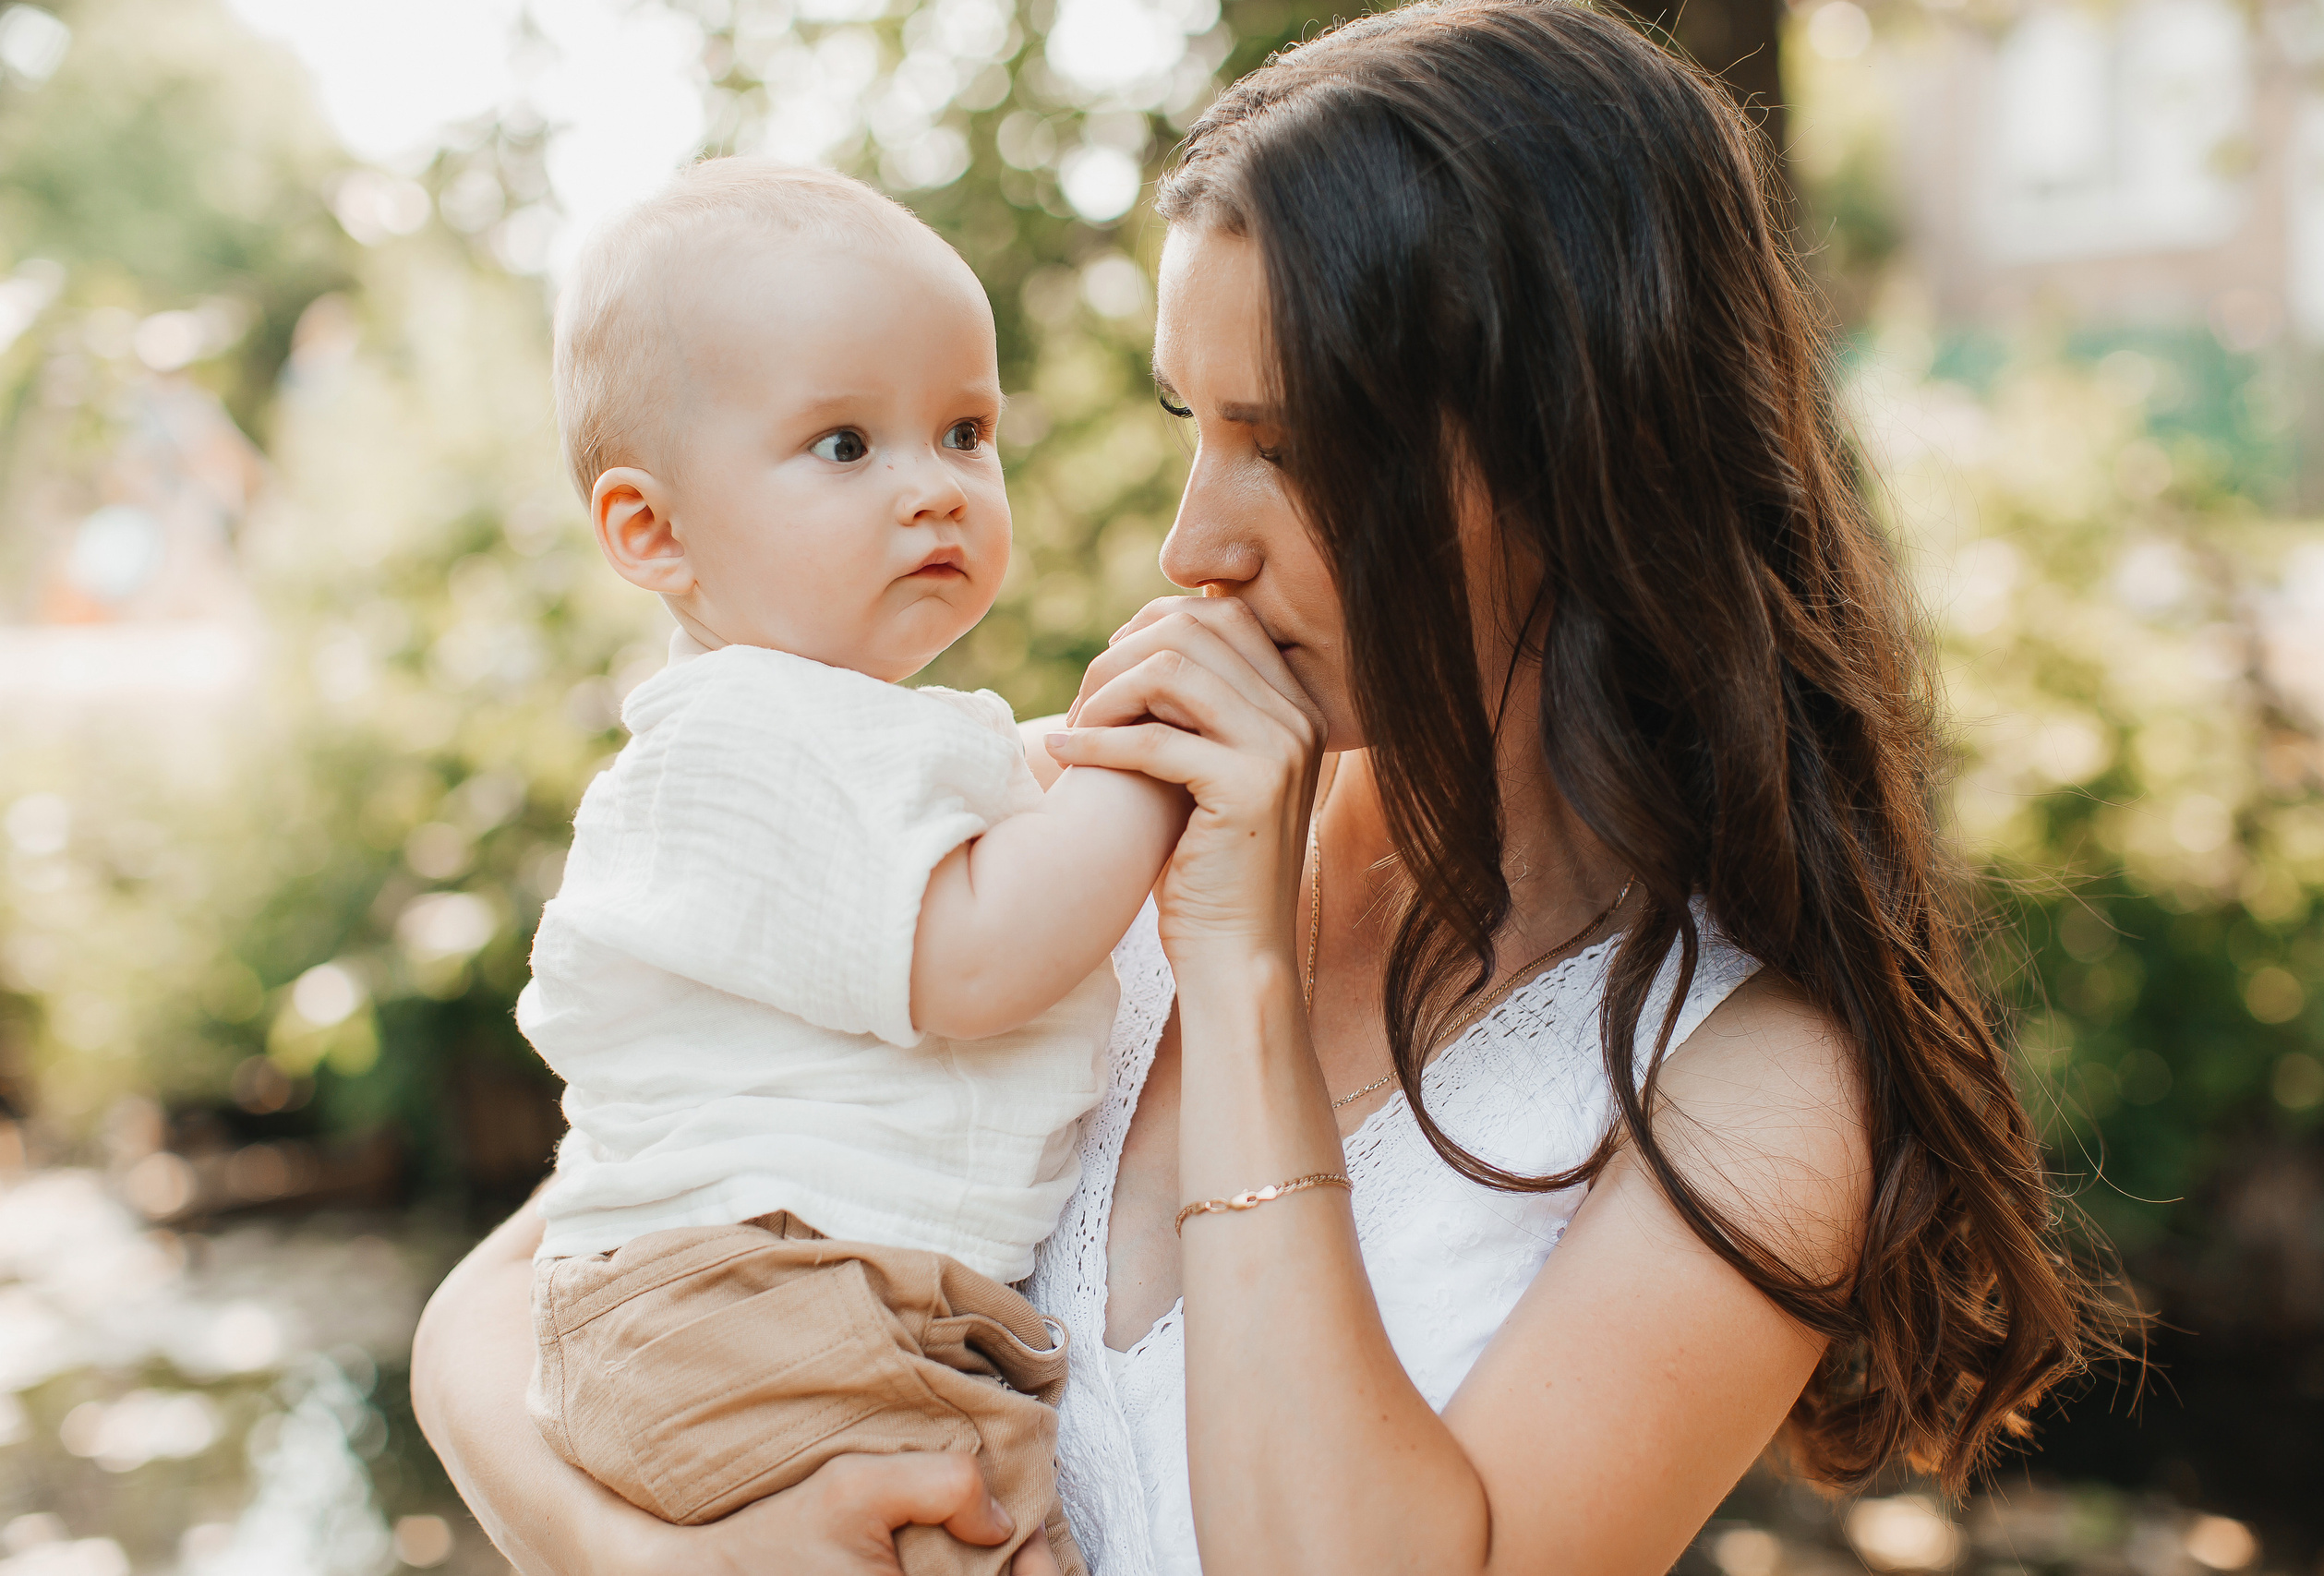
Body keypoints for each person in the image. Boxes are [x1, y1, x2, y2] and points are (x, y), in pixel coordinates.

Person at [414, 5, 2108, 1573]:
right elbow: (505, 1307)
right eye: (1191, 426)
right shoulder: (1059, 832)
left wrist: (1235, 981)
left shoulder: (1742, 1090)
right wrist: (674, 1564)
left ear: (1573, 461)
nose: (1191, 543)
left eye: (1289, 449)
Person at [509, 157, 1188, 1575]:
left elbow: (990, 805)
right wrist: (1157, 762)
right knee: (975, 1529)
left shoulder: (838, 728)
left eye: (964, 432)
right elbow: (978, 959)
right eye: (844, 446)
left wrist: (1080, 760)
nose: (933, 491)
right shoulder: (742, 738)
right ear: (653, 530)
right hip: (758, 1303)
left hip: (777, 1300)